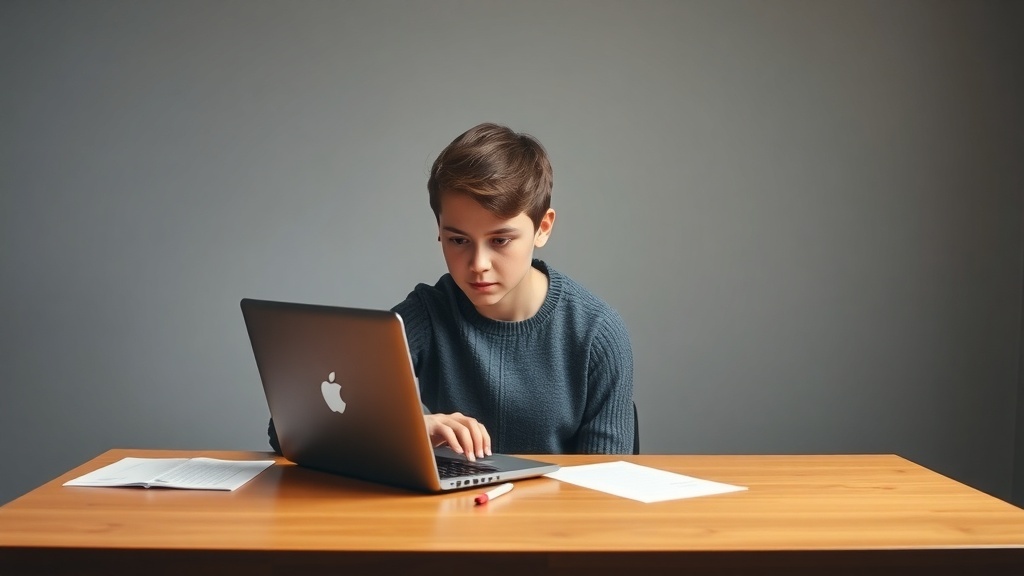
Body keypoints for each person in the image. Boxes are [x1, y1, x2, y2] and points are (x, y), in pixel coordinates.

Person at [269, 122, 634, 459]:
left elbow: (605, 485)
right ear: (439, 228)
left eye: (501, 240)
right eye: (458, 239)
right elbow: (285, 430)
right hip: (455, 519)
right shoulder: (425, 315)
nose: (478, 264)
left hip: (551, 524)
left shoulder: (596, 334)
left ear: (543, 228)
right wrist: (409, 430)